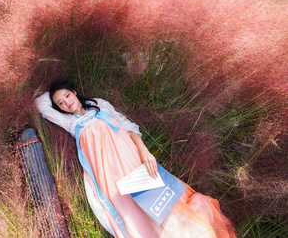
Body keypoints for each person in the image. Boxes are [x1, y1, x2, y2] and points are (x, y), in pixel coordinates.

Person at [34, 81, 236, 238]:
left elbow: (128, 127)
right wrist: (53, 93)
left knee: (159, 202)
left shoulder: (100, 105)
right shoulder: (70, 122)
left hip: (132, 159)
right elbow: (41, 104)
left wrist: (145, 152)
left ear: (75, 92)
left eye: (67, 95)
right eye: (60, 103)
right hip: (109, 174)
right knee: (135, 212)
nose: (66, 102)